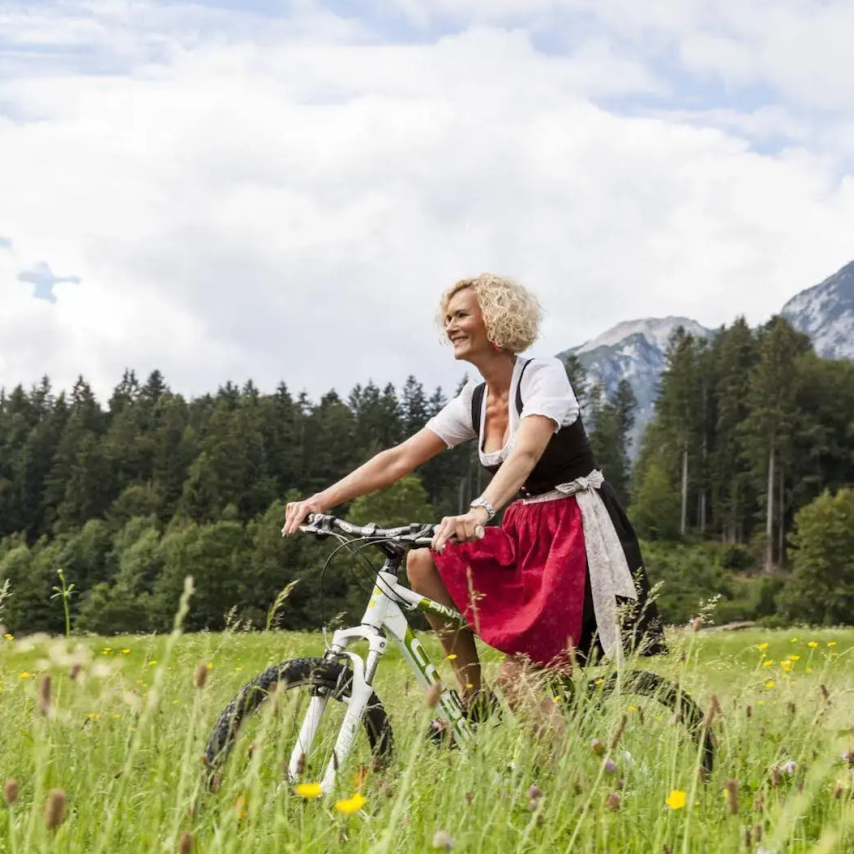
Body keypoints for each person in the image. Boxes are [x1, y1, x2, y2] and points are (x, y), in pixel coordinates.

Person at [281, 273, 663, 733]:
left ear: (496, 319)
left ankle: (572, 777)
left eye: (461, 315)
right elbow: (400, 458)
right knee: (423, 560)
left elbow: (526, 453)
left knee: (521, 680)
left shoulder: (543, 375)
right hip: (524, 530)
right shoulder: (475, 399)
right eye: (447, 318)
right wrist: (319, 500)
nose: (450, 326)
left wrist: (480, 511)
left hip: (572, 531)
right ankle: (474, 701)